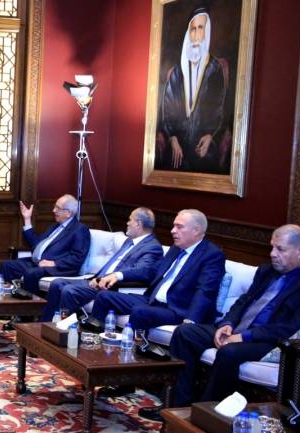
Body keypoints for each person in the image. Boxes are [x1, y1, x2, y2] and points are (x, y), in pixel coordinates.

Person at [163, 225, 300, 409]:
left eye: (280, 249)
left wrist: (245, 336)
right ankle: (177, 406)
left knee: (229, 352)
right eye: (272, 247)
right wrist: (228, 323)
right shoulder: (266, 271)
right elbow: (243, 301)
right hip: (237, 331)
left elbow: (297, 328)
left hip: (269, 342)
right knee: (185, 333)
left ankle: (206, 411)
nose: (272, 254)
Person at [87, 209, 225, 331]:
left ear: (196, 230)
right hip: (152, 301)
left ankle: (132, 350)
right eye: (174, 226)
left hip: (177, 309)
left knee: (140, 312)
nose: (173, 230)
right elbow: (151, 271)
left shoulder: (211, 255)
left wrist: (190, 320)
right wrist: (117, 275)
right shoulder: (176, 248)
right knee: (104, 296)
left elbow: (205, 291)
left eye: (179, 227)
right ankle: (96, 338)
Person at [41, 207, 163, 321]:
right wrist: (98, 278)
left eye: (130, 220)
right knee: (57, 283)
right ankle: (45, 324)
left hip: (111, 287)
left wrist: (110, 277)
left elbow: (142, 270)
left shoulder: (152, 247)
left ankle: (62, 330)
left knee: (69, 290)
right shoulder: (129, 241)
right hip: (97, 280)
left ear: (138, 224)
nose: (127, 223)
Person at [156, 6, 230, 174]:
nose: (196, 35)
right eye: (193, 29)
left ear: (206, 31)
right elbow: (168, 107)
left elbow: (219, 107)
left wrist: (210, 135)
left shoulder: (215, 69)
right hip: (178, 143)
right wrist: (173, 138)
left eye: (200, 28)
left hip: (203, 143)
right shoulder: (177, 71)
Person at [0, 195, 91, 296]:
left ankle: (28, 304)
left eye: (58, 208)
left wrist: (54, 263)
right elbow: (36, 244)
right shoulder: (55, 226)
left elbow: (77, 258)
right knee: (7, 265)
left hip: (58, 268)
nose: (54, 210)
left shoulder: (80, 229)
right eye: (54, 206)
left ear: (69, 213)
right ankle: (5, 299)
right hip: (38, 263)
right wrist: (27, 219)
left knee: (31, 273)